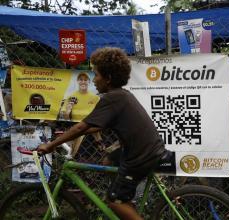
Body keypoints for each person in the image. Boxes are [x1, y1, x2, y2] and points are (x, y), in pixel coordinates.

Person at [38, 47, 166, 220]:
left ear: (108, 78)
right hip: (144, 149)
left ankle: (120, 201)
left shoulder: (112, 98)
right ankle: (125, 200)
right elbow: (93, 126)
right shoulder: (121, 95)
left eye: (96, 75)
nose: (94, 81)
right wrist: (70, 136)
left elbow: (81, 127)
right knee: (108, 160)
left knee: (114, 202)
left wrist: (51, 145)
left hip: (140, 156)